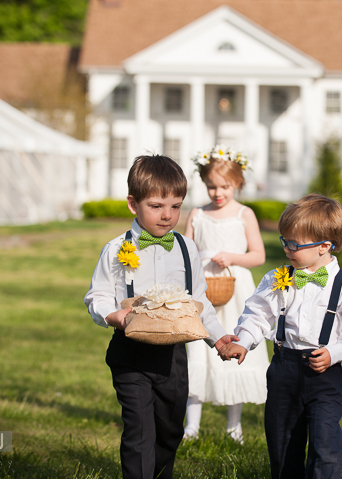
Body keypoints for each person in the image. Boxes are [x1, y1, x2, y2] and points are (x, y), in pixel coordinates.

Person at [83, 155, 236, 479]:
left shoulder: (186, 248)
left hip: (172, 356)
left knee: (170, 430)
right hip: (130, 354)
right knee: (139, 430)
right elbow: (96, 295)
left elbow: (198, 302)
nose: (167, 215)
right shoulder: (115, 249)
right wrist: (114, 316)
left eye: (176, 206)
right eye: (156, 206)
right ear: (132, 204)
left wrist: (218, 338)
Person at [220, 193, 342, 479]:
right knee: (282, 441)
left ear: (324, 246)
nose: (288, 249)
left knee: (324, 442)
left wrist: (335, 352)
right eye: (284, 241)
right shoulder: (276, 278)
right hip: (284, 370)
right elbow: (258, 315)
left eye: (295, 244)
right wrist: (243, 341)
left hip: (323, 374)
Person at [183, 146, 268, 443]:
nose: (218, 193)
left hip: (235, 289)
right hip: (203, 289)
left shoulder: (245, 214)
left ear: (238, 184)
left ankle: (234, 425)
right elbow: (185, 253)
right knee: (197, 349)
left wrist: (232, 257)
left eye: (225, 187)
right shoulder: (197, 214)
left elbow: (258, 255)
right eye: (211, 186)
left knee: (233, 344)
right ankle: (191, 425)